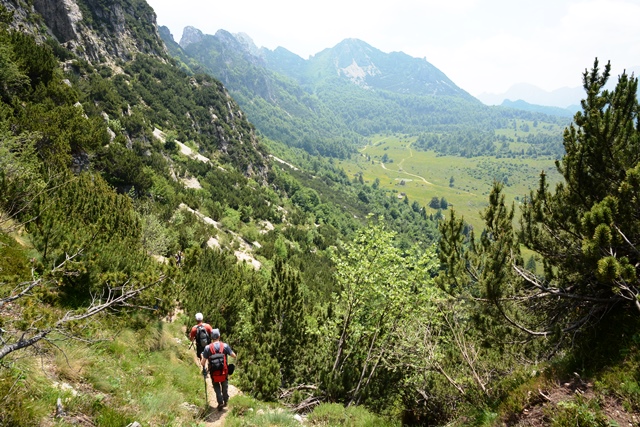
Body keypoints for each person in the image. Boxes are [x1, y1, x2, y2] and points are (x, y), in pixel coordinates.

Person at [201, 328, 236, 411]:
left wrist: (204, 366)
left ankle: (220, 402)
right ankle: (226, 400)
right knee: (224, 385)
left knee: (216, 387)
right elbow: (233, 355)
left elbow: (203, 362)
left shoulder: (207, 348)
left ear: (211, 337)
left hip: (214, 372)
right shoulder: (225, 346)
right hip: (224, 371)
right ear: (219, 336)